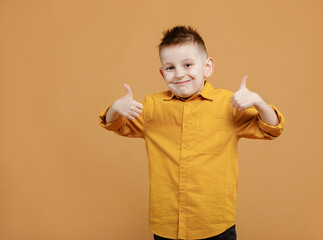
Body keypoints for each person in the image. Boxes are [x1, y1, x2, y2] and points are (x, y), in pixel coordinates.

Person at [99, 25, 284, 240]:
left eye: (187, 64)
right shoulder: (152, 106)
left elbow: (271, 129)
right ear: (162, 73)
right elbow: (116, 125)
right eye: (170, 68)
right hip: (166, 224)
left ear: (207, 67)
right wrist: (115, 109)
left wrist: (259, 103)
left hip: (215, 223)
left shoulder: (228, 104)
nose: (179, 74)